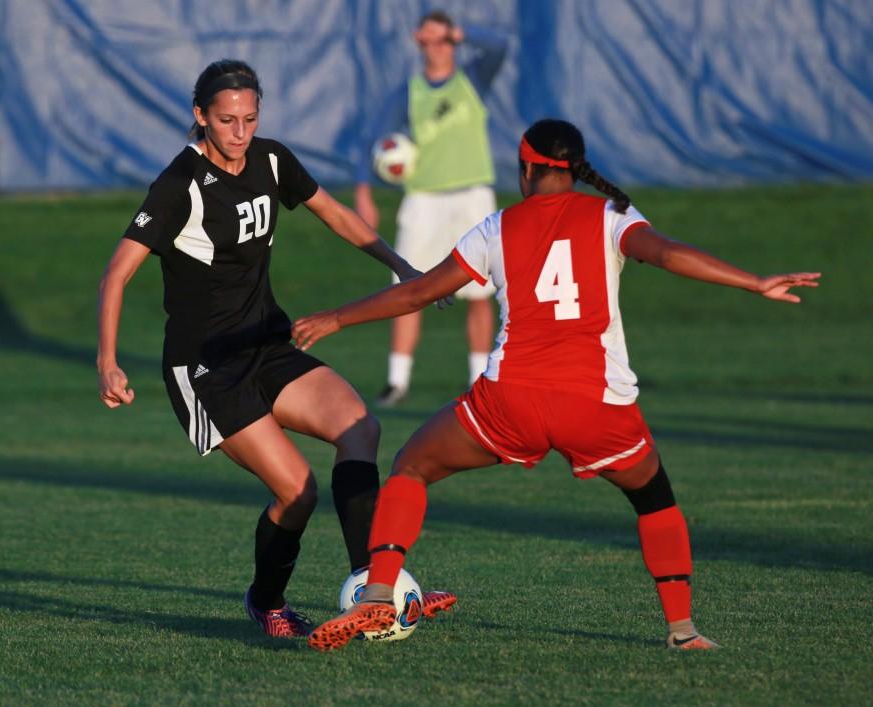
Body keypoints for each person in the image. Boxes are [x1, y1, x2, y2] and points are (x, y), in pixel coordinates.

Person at [294, 118, 821, 651]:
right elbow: (666, 253)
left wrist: (336, 318)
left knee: (413, 465)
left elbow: (418, 294)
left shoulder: (497, 227)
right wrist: (754, 281)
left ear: (527, 168)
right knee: (655, 499)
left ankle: (379, 590)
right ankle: (683, 631)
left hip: (510, 400)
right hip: (595, 405)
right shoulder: (611, 215)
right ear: (574, 169)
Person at [97, 59, 455, 638]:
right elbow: (116, 275)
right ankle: (267, 602)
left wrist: (403, 269)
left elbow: (335, 214)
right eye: (226, 120)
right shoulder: (177, 185)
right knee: (297, 491)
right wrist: (107, 361)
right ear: (200, 117)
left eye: (250, 118)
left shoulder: (270, 159)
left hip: (266, 342)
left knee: (361, 427)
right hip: (207, 369)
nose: (240, 132)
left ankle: (374, 587)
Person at [354, 9, 509, 405]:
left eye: (442, 40)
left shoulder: (472, 79)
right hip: (422, 199)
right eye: (426, 41)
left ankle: (480, 381)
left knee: (479, 291)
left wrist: (461, 32)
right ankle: (397, 382)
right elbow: (375, 140)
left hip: (472, 195)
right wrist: (363, 192)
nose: (434, 48)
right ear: (418, 43)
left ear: (453, 41)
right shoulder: (409, 92)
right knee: (410, 287)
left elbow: (500, 46)